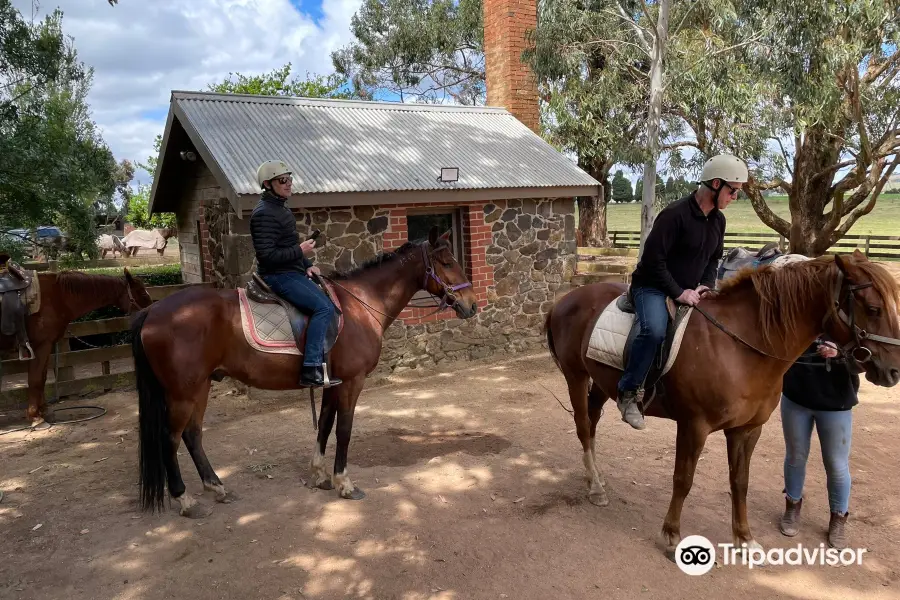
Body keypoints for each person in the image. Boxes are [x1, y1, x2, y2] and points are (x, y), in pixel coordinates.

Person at [617, 154, 748, 429]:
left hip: (689, 289)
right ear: (716, 184)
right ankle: (628, 392)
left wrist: (706, 285)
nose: (735, 196)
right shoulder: (674, 216)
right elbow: (653, 262)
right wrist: (679, 293)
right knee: (653, 331)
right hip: (651, 286)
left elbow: (713, 258)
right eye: (733, 190)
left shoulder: (718, 221)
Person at [250, 160, 341, 388]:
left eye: (290, 178)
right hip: (278, 276)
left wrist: (307, 263)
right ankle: (311, 369)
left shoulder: (280, 208)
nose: (289, 183)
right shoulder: (264, 213)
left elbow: (288, 245)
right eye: (283, 180)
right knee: (324, 307)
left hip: (292, 271)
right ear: (267, 184)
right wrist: (299, 250)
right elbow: (267, 256)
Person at [779, 338, 859, 549]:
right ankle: (792, 506)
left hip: (836, 402)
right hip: (796, 396)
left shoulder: (849, 318)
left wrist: (840, 351)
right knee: (795, 455)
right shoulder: (801, 309)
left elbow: (865, 359)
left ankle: (838, 518)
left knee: (836, 464)